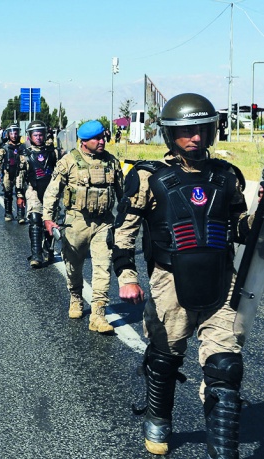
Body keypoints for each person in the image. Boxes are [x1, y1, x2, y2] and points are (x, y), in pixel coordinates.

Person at [112, 93, 260, 457]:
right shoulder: (148, 178)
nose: (195, 137)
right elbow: (122, 232)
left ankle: (223, 451)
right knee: (165, 357)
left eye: (201, 130)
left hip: (223, 280)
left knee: (226, 367)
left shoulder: (227, 177)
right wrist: (127, 276)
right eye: (186, 132)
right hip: (169, 283)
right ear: (170, 136)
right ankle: (158, 420)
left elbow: (243, 231)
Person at [43, 120, 123, 332]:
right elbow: (52, 191)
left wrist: (127, 218)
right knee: (73, 265)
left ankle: (98, 315)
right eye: (97, 139)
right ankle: (76, 296)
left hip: (104, 222)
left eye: (103, 137)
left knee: (103, 267)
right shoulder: (68, 161)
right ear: (84, 141)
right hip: (76, 222)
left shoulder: (112, 162)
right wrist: (48, 218)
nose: (102, 141)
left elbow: (123, 193)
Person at [22, 120, 58, 268]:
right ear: (30, 136)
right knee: (35, 220)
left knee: (49, 221)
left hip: (51, 191)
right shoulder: (26, 155)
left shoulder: (54, 152)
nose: (38, 137)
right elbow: (20, 175)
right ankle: (36, 255)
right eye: (35, 135)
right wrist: (19, 194)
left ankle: (47, 249)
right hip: (33, 190)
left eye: (41, 134)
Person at [0, 124, 26, 221]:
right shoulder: (4, 147)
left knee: (20, 193)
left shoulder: (22, 147)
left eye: (16, 133)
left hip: (20, 173)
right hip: (7, 173)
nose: (14, 135)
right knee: (8, 193)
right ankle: (8, 213)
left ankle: (21, 215)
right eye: (12, 133)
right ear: (8, 134)